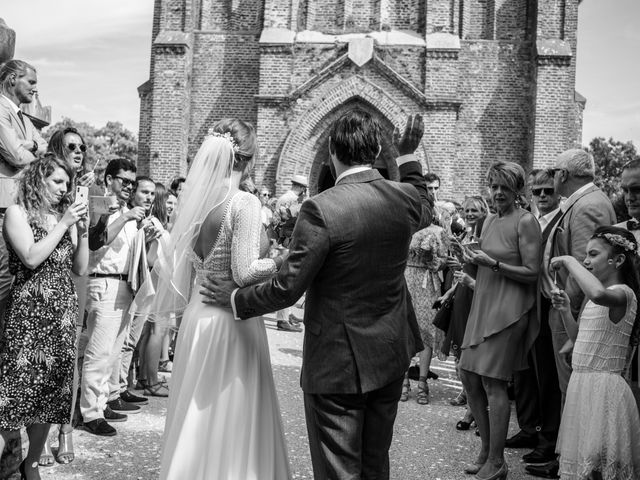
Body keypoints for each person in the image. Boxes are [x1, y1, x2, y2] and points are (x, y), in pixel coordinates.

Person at [205, 111, 433, 480]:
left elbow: (286, 288)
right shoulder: (404, 197)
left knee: (339, 471)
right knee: (375, 464)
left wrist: (234, 297)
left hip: (337, 365)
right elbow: (423, 198)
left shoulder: (321, 208)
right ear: (376, 150)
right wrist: (407, 155)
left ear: (330, 151)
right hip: (391, 355)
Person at [133, 119, 291, 479]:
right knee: (230, 414)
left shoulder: (200, 202)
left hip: (198, 316)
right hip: (229, 321)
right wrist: (283, 258)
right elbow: (247, 271)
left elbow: (187, 265)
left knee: (197, 413)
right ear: (248, 159)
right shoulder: (243, 202)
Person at [529, 149, 616, 479]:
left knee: (573, 389)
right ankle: (569, 458)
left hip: (571, 312)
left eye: (554, 172)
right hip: (565, 307)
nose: (552, 178)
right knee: (570, 388)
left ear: (564, 175)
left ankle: (573, 462)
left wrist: (570, 315)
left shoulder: (588, 205)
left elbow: (586, 265)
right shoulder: (582, 202)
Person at [0, 154, 88, 480]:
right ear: (39, 179)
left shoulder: (61, 216)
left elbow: (79, 268)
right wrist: (64, 223)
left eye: (67, 183)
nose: (64, 188)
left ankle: (32, 463)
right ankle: (8, 463)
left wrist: (81, 229)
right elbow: (31, 257)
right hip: (28, 315)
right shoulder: (17, 213)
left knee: (51, 395)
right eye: (57, 181)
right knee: (16, 393)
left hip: (62, 314)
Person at [459, 161, 542, 479]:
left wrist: (492, 263)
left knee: (493, 382)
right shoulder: (490, 219)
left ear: (517, 190)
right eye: (493, 186)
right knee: (468, 375)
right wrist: (471, 257)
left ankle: (497, 462)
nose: (497, 193)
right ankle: (484, 451)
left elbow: (532, 272)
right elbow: (487, 258)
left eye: (504, 188)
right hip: (485, 304)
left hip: (510, 310)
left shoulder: (525, 222)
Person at [550, 226, 640, 479]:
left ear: (618, 260)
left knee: (600, 463)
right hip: (582, 387)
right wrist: (566, 309)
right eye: (584, 255)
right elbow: (578, 338)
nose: (586, 261)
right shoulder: (593, 300)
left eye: (593, 254)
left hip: (604, 391)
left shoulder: (623, 294)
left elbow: (598, 293)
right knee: (584, 464)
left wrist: (568, 259)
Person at [79, 158, 146, 436]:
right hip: (103, 283)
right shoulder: (99, 203)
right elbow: (95, 241)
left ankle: (103, 400)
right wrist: (125, 217)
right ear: (109, 179)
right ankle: (90, 413)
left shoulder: (128, 210)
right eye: (124, 181)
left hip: (124, 285)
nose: (129, 187)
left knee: (113, 352)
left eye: (132, 182)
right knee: (98, 352)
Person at [506, 169, 564, 466]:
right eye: (537, 191)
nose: (542, 196)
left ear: (558, 191)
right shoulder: (529, 218)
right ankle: (529, 427)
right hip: (523, 303)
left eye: (548, 191)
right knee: (523, 371)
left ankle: (548, 438)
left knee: (547, 376)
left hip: (548, 304)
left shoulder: (562, 219)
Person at [0, 60, 47, 322]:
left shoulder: (23, 118)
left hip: (22, 208)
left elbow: (44, 147)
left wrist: (27, 143)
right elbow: (16, 156)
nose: (35, 88)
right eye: (30, 82)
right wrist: (29, 147)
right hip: (3, 207)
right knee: (4, 278)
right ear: (11, 80)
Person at [401, 204, 449, 405]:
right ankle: (403, 381)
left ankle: (422, 382)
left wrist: (432, 257)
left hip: (427, 284)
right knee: (403, 331)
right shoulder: (404, 229)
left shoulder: (440, 232)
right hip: (406, 279)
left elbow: (445, 260)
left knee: (426, 333)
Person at [272, 175, 308, 333]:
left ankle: (288, 313)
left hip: (280, 240)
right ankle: (282, 318)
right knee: (286, 279)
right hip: (289, 241)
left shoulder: (282, 198)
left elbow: (276, 221)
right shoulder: (296, 201)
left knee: (283, 278)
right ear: (301, 188)